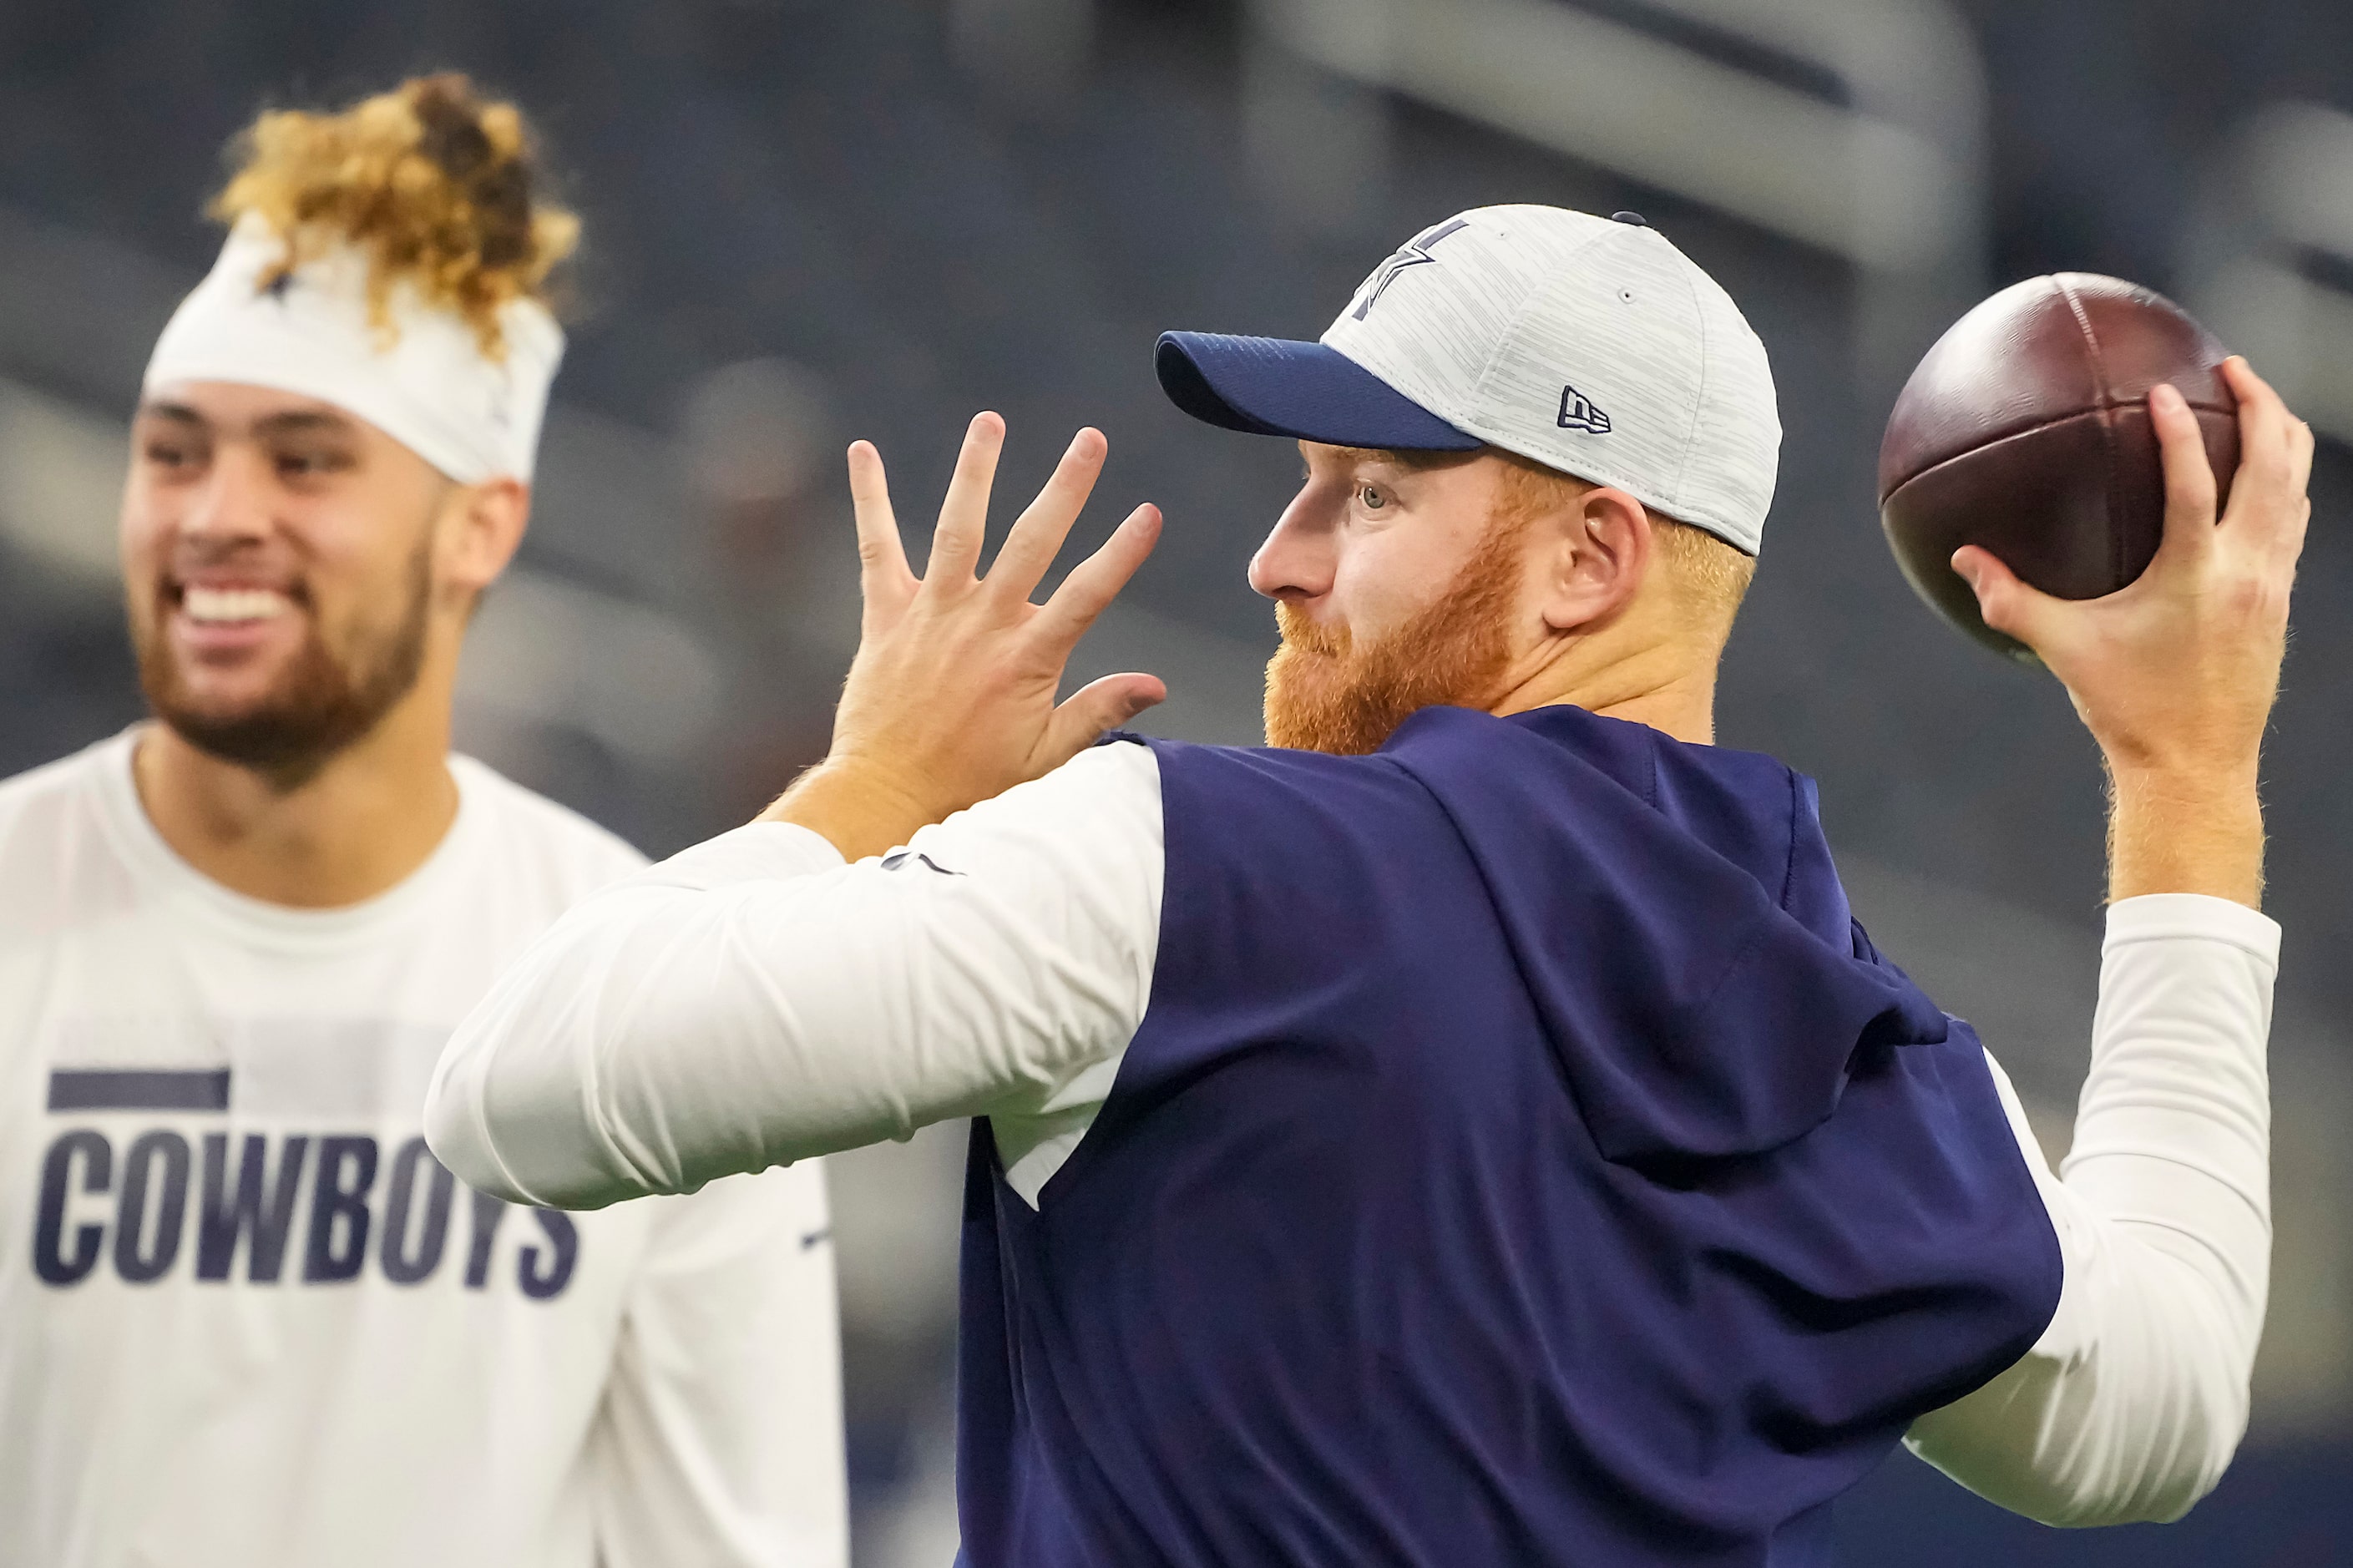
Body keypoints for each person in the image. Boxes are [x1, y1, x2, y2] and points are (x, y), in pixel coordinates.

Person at [426, 205, 2307, 1564]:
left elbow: (512, 1088)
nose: (1276, 557)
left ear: (1588, 559)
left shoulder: (1184, 872)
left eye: (1366, 492)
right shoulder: (1866, 1058)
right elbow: (2147, 1412)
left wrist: (867, 787)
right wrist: (2182, 776)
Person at [0, 75, 848, 1568]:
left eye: (306, 458)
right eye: (174, 448)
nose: (214, 514)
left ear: (483, 523)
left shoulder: (662, 1011)